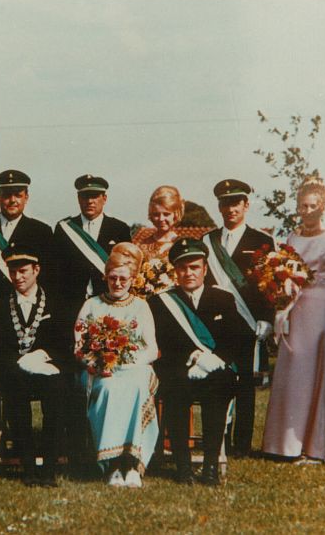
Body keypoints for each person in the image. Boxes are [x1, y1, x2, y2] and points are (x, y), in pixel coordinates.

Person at [149, 238, 242, 486]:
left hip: (215, 370)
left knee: (219, 388)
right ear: (175, 271)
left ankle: (210, 465)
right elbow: (163, 344)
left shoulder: (223, 299)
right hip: (179, 369)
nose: (188, 273)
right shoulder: (161, 303)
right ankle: (184, 466)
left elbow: (236, 339)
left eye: (194, 267)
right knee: (175, 390)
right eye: (183, 268)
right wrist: (193, 358)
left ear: (204, 268)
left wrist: (215, 360)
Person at [261, 178, 325, 464]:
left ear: (323, 207)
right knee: (291, 373)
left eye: (312, 206)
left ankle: (313, 448)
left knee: (317, 373)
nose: (307, 212)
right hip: (294, 308)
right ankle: (282, 444)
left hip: (322, 309)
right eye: (302, 206)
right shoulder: (291, 238)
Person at [0, 244, 73, 487]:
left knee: (56, 396)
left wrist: (42, 355)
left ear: (36, 270)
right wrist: (17, 363)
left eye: (24, 271)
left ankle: (48, 468)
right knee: (16, 399)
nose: (18, 277)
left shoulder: (55, 302)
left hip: (47, 369)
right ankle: (27, 467)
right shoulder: (0, 304)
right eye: (13, 272)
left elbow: (64, 342)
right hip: (15, 371)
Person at [74, 246, 159, 488]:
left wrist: (128, 362)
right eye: (113, 278)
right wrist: (94, 362)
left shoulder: (141, 306)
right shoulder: (92, 305)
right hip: (101, 370)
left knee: (135, 388)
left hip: (134, 368)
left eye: (123, 278)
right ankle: (111, 464)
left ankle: (132, 463)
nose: (118, 283)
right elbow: (79, 345)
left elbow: (151, 348)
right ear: (105, 277)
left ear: (132, 279)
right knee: (109, 389)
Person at [202, 179, 275, 457]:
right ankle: (219, 438)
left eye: (235, 203)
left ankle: (241, 444)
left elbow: (271, 284)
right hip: (218, 324)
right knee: (219, 382)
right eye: (224, 203)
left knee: (245, 385)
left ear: (246, 205)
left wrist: (267, 318)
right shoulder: (208, 241)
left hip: (249, 324)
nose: (230, 208)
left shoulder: (263, 241)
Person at [53, 174, 132, 323]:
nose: (89, 201)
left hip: (108, 303)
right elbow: (56, 270)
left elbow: (127, 269)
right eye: (85, 196)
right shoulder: (64, 228)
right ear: (78, 198)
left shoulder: (119, 228)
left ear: (104, 198)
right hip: (71, 305)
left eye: (94, 196)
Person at [0, 170, 54, 299]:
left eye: (18, 195)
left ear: (26, 197)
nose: (12, 200)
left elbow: (48, 276)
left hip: (26, 305)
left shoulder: (41, 231)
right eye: (7, 195)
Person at [133, 185, 184, 261]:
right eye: (156, 214)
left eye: (166, 214)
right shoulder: (143, 246)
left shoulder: (182, 245)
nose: (161, 219)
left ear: (175, 214)